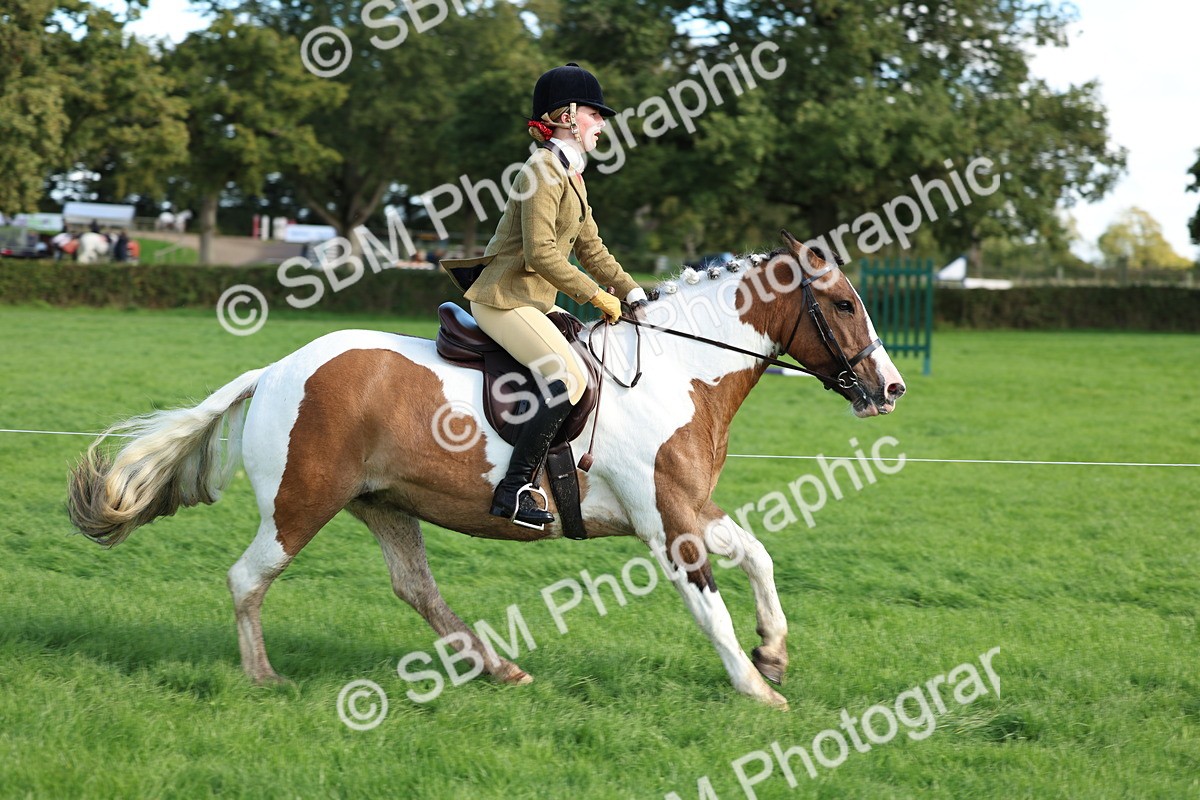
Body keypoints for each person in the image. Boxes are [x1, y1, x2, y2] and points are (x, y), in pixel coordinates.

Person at [440, 63, 646, 528]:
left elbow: (591, 245)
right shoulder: (540, 169)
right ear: (568, 115)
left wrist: (631, 290)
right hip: (505, 298)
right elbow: (540, 253)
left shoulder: (571, 173)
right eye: (597, 114)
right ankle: (513, 491)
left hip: (536, 300)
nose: (603, 124)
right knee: (568, 379)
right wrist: (598, 296)